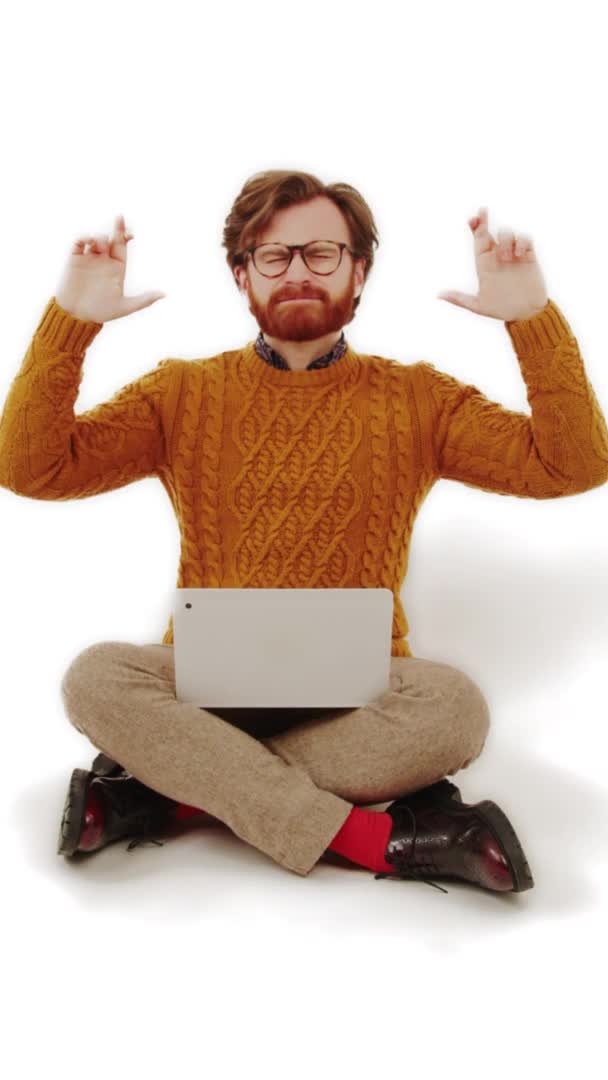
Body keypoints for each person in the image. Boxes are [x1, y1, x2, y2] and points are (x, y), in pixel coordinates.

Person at [2, 171, 607, 892]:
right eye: (273, 255)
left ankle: (168, 791)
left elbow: (573, 465)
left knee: (456, 709)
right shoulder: (182, 392)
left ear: (359, 271)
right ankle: (377, 841)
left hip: (362, 691)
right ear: (241, 274)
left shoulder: (419, 397)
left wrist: (530, 318)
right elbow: (29, 468)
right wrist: (73, 321)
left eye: (321, 254)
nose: (297, 272)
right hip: (205, 686)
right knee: (95, 678)